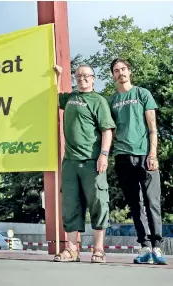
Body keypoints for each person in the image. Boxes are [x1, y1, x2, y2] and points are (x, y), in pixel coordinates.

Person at [53, 64, 115, 263]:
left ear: (93, 79)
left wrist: (104, 155)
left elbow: (107, 130)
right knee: (70, 204)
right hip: (70, 162)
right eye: (78, 76)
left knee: (98, 202)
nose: (82, 78)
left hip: (92, 162)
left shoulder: (99, 101)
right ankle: (71, 250)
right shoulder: (70, 98)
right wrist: (58, 75)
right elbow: (53, 97)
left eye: (86, 76)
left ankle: (98, 249)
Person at [108, 58, 166, 265]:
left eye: (123, 69)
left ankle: (157, 248)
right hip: (123, 156)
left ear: (129, 72)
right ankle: (144, 247)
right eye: (116, 70)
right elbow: (110, 131)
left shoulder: (142, 94)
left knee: (152, 202)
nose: (120, 73)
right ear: (113, 75)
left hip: (145, 155)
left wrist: (153, 154)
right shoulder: (111, 100)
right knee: (135, 204)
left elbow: (152, 127)